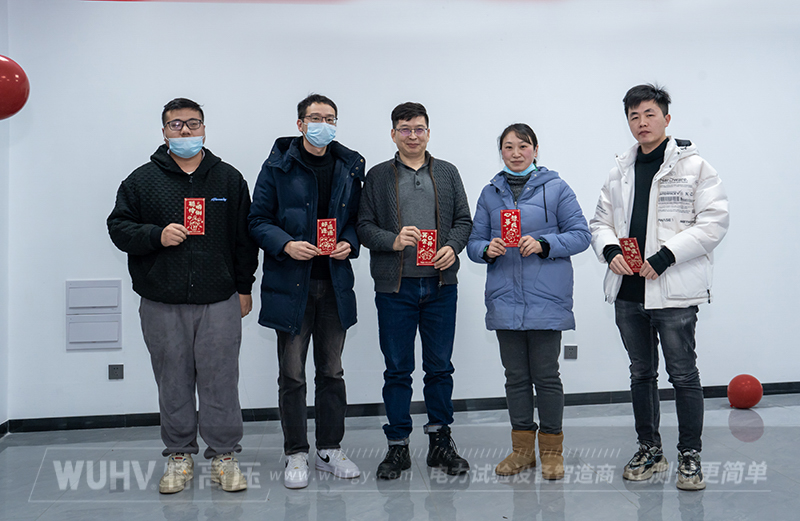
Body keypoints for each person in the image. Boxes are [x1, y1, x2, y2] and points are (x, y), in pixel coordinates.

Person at [107, 98, 258, 494]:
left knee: (221, 380)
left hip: (219, 298)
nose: (186, 131)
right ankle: (178, 456)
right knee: (172, 380)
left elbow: (245, 240)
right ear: (164, 132)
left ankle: (224, 456)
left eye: (193, 123)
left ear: (204, 128)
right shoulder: (142, 180)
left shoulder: (228, 179)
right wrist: (156, 235)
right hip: (162, 299)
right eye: (176, 125)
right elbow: (118, 228)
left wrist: (245, 287)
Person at [589, 84, 729, 491]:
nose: (642, 123)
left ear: (666, 118)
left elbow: (714, 222)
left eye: (649, 114)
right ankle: (650, 449)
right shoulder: (619, 171)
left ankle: (690, 455)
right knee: (641, 374)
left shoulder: (695, 167)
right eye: (634, 116)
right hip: (628, 292)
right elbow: (599, 222)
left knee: (683, 375)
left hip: (674, 291)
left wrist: (667, 256)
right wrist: (610, 249)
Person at [248, 94, 364, 489]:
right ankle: (295, 451)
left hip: (334, 284)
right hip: (291, 284)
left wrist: (349, 242)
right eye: (315, 118)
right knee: (292, 375)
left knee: (332, 371)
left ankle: (329, 449)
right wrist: (286, 244)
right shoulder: (277, 166)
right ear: (300, 124)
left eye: (330, 118)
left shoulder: (349, 166)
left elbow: (357, 219)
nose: (323, 125)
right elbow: (257, 220)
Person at [466, 123, 590, 480]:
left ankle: (551, 452)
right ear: (501, 152)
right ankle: (522, 452)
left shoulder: (557, 188)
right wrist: (486, 249)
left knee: (547, 377)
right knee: (516, 378)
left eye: (523, 146)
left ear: (535, 149)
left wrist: (544, 244)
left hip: (546, 300)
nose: (516, 153)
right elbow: (473, 243)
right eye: (508, 147)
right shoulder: (490, 193)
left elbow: (581, 235)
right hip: (505, 300)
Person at [358, 102, 473, 480]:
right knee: (397, 370)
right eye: (405, 129)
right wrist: (392, 240)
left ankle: (441, 442)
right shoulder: (377, 176)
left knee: (440, 368)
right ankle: (397, 446)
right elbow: (363, 227)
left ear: (428, 132)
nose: (412, 136)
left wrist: (452, 247)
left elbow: (464, 220)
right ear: (393, 134)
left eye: (419, 129)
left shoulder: (448, 172)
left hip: (440, 286)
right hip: (395, 288)